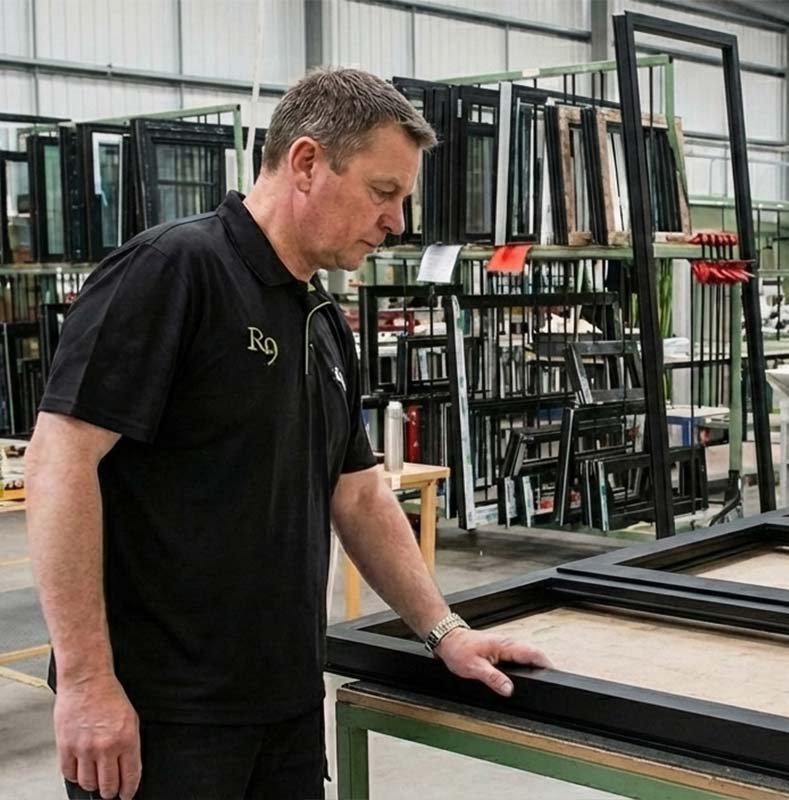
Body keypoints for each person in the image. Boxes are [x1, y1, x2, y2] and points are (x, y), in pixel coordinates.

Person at [26, 67, 552, 800]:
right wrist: (85, 682)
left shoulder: (321, 320)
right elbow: (59, 463)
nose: (397, 221)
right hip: (164, 721)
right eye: (383, 192)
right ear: (306, 162)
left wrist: (446, 631)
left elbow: (361, 496)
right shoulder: (174, 271)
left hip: (285, 712)